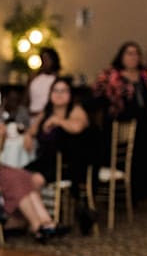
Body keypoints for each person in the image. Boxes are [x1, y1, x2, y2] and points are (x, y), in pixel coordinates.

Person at [0, 80, 64, 242]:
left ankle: (45, 222)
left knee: (23, 175)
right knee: (15, 178)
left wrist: (1, 135)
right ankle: (37, 225)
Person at [24, 77, 97, 234]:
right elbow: (33, 130)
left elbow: (77, 127)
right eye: (55, 90)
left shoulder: (76, 111)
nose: (59, 94)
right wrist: (29, 136)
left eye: (63, 90)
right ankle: (39, 221)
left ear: (70, 94)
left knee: (34, 179)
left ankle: (42, 223)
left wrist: (58, 121)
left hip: (68, 164)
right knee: (21, 175)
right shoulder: (46, 112)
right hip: (47, 161)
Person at [92, 41, 147, 203]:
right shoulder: (111, 75)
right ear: (121, 56)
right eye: (129, 53)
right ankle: (118, 196)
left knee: (142, 159)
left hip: (144, 125)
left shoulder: (146, 76)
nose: (133, 57)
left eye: (136, 53)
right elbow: (97, 96)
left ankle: (138, 194)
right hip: (119, 124)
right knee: (119, 159)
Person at [27, 47, 60, 120]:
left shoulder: (57, 80)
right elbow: (27, 98)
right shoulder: (35, 78)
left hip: (48, 117)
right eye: (43, 59)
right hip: (32, 115)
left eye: (47, 59)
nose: (45, 62)